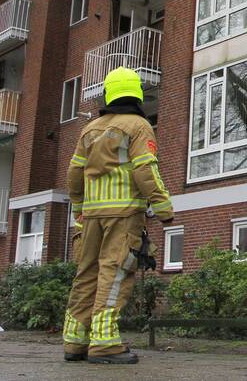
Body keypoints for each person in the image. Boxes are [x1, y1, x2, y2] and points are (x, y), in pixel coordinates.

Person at [61, 67, 173, 364]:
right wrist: (163, 208)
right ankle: (104, 343)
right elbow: (145, 168)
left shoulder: (90, 129)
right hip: (123, 215)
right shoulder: (138, 126)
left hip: (91, 217)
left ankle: (74, 342)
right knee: (116, 271)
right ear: (136, 92)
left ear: (109, 93)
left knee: (86, 274)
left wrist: (79, 209)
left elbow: (74, 172)